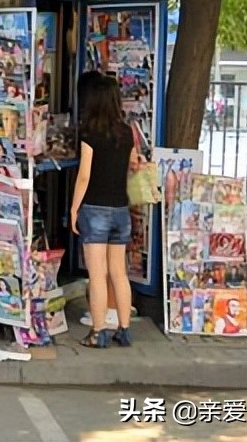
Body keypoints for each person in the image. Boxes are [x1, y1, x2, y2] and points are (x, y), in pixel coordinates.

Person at [71, 76, 141, 348]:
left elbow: (84, 176)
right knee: (119, 273)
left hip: (95, 209)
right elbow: (134, 163)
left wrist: (74, 208)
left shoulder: (89, 133)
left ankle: (98, 332)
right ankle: (124, 330)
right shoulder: (126, 133)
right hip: (120, 209)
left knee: (97, 275)